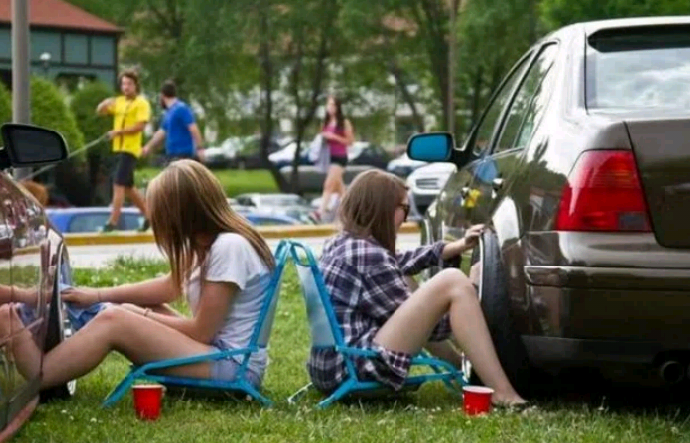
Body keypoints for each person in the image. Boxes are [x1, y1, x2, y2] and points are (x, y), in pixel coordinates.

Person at [0, 160, 275, 391]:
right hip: (218, 356)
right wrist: (98, 295)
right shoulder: (216, 243)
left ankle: (41, 370)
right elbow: (169, 288)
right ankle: (29, 300)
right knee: (126, 309)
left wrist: (134, 314)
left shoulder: (229, 247)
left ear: (182, 214)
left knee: (115, 320)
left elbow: (201, 332)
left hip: (233, 367)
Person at [309, 169, 527, 407]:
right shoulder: (368, 256)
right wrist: (473, 289)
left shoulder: (343, 243)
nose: (407, 217)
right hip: (354, 369)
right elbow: (432, 328)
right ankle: (502, 393)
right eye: (404, 208)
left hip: (329, 368)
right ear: (384, 209)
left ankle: (462, 367)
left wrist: (455, 247)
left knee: (409, 281)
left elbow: (398, 262)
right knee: (453, 280)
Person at [96, 70, 151, 233]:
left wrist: (118, 133)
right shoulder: (119, 101)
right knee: (128, 187)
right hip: (118, 149)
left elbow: (140, 126)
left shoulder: (142, 103)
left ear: (136, 86)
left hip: (130, 149)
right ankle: (149, 216)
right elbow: (101, 112)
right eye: (123, 84)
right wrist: (104, 103)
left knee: (118, 183)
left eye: (129, 84)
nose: (126, 87)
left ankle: (113, 222)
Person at [310, 95, 354, 223]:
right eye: (328, 105)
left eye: (333, 105)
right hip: (328, 157)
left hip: (340, 157)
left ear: (338, 107)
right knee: (341, 190)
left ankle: (319, 213)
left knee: (328, 185)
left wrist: (333, 137)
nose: (330, 108)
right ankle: (352, 212)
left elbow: (350, 141)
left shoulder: (344, 122)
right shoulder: (325, 123)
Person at [142, 80, 205, 164]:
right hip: (172, 155)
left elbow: (193, 128)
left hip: (184, 155)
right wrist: (148, 147)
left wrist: (199, 148)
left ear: (162, 96)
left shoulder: (181, 108)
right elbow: (161, 133)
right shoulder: (168, 113)